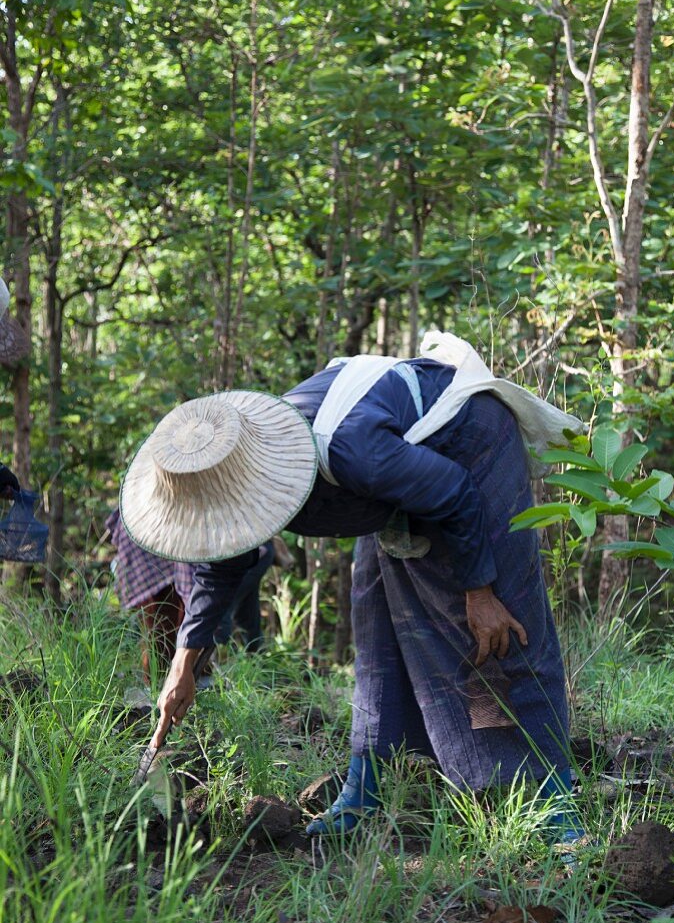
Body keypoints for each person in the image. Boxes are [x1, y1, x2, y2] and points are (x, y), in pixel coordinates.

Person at [119, 331, 586, 840]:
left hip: (467, 448)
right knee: (378, 625)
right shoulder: (238, 467)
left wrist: (479, 591)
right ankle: (365, 793)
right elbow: (224, 561)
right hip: (396, 472)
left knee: (499, 629)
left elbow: (454, 492)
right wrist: (184, 665)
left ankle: (551, 801)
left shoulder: (348, 451)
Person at [106, 508, 275, 684]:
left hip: (212, 547)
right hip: (152, 551)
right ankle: (164, 685)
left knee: (205, 622)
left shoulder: (230, 529)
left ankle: (200, 679)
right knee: (163, 627)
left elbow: (205, 598)